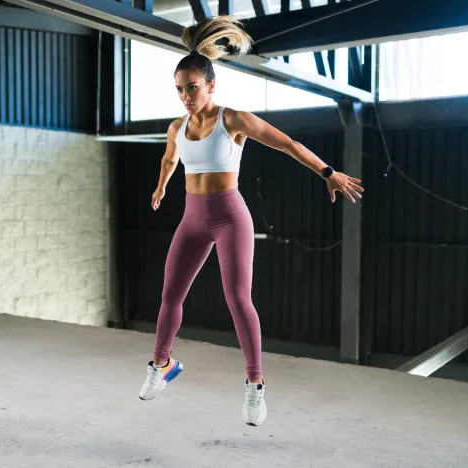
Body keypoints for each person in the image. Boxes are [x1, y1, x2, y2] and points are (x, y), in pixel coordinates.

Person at [137, 16, 363, 426]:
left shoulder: (233, 119)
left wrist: (328, 172)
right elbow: (170, 156)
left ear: (210, 86)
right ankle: (162, 365)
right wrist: (161, 186)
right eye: (179, 90)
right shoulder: (177, 127)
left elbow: (287, 144)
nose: (186, 97)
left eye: (192, 88)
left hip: (229, 217)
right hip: (192, 218)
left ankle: (255, 387)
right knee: (170, 296)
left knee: (238, 299)